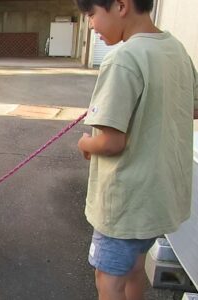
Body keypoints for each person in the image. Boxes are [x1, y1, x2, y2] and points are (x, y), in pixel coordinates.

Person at [75, 0, 198, 299]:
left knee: (108, 277)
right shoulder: (176, 50)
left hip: (126, 204)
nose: (90, 24)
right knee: (134, 268)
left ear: (120, 5)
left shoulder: (124, 59)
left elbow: (111, 141)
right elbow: (192, 109)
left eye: (91, 14)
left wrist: (84, 143)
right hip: (159, 198)